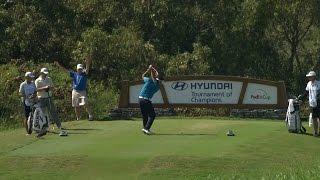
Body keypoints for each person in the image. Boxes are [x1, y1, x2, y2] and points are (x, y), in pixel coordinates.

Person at [35, 67, 63, 132]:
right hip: (41, 98)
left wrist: (49, 88)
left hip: (49, 97)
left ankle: (59, 125)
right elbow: (36, 89)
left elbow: (52, 87)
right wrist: (44, 88)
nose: (45, 74)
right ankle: (44, 127)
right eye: (44, 73)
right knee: (43, 113)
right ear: (41, 73)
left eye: (46, 73)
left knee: (53, 112)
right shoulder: (37, 80)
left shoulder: (49, 79)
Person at [139, 65, 162, 135]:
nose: (161, 82)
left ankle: (146, 129)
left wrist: (149, 69)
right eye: (160, 81)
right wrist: (151, 70)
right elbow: (154, 78)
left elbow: (143, 76)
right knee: (152, 115)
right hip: (146, 100)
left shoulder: (149, 81)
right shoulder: (157, 86)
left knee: (145, 115)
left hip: (140, 99)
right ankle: (146, 128)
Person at [298, 71, 320, 137]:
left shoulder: (319, 83)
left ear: (314, 77)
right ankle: (315, 132)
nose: (309, 78)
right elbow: (306, 93)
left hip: (319, 104)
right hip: (312, 104)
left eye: (310, 76)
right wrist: (301, 97)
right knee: (314, 118)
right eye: (308, 77)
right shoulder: (309, 84)